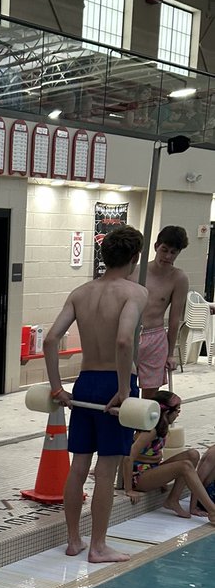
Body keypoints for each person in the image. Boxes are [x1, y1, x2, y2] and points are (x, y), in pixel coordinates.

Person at [44, 224, 148, 564]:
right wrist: (122, 391)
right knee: (105, 471)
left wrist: (58, 387)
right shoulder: (134, 293)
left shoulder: (80, 292)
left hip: (85, 383)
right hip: (114, 387)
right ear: (134, 258)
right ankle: (98, 546)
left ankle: (74, 540)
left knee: (78, 467)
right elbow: (123, 341)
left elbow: (50, 340)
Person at [124, 393, 215, 524]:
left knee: (193, 454)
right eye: (177, 410)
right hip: (138, 477)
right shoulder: (150, 431)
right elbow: (128, 457)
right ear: (167, 413)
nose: (178, 414)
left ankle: (173, 499)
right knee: (185, 466)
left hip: (151, 469)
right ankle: (213, 512)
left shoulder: (161, 426)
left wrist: (160, 475)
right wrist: (129, 490)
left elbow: (151, 455)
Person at [136, 225, 189, 399]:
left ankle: (145, 427)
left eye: (173, 252)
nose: (167, 256)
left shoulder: (178, 278)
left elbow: (174, 319)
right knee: (124, 390)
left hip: (155, 338)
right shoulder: (135, 271)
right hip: (129, 335)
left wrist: (171, 353)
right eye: (164, 250)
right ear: (156, 246)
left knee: (150, 397)